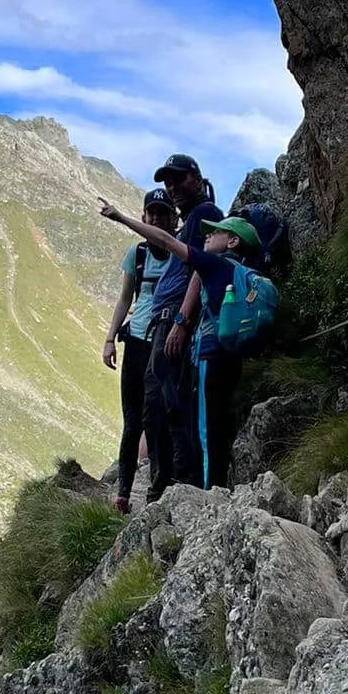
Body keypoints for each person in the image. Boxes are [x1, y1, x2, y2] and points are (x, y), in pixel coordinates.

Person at [99, 197, 264, 491]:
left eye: (216, 232)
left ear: (233, 241)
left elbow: (165, 240)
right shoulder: (241, 272)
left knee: (202, 426)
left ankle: (204, 490)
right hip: (230, 356)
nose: (208, 235)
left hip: (209, 355)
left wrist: (121, 218)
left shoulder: (214, 265)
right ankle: (209, 483)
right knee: (215, 421)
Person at [140, 154, 221, 496]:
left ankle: (182, 481)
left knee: (174, 404)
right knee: (158, 406)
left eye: (177, 179)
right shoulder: (192, 218)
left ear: (196, 177)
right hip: (166, 319)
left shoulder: (205, 215)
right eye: (166, 181)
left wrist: (182, 321)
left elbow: (203, 266)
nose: (171, 187)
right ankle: (165, 482)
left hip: (175, 319)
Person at [101, 188, 175, 511]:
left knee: (156, 419)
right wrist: (109, 337)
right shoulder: (138, 255)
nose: (156, 218)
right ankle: (123, 493)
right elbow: (124, 299)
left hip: (165, 346)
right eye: (151, 213)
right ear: (144, 216)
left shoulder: (179, 251)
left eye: (162, 213)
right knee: (132, 423)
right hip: (135, 343)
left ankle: (157, 491)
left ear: (174, 219)